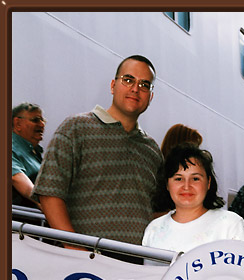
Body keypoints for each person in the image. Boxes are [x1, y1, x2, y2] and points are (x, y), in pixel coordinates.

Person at [32, 55, 163, 256]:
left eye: (145, 85)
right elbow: (50, 194)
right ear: (113, 85)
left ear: (151, 97)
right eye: (128, 80)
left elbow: (157, 211)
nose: (135, 89)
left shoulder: (152, 150)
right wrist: (76, 250)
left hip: (136, 268)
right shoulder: (75, 128)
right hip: (83, 264)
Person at [142, 143, 244, 255]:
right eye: (178, 178)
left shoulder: (231, 225)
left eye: (195, 178)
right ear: (167, 184)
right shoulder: (153, 229)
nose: (186, 186)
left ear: (208, 183)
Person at [12, 102, 46, 208]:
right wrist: (49, 206)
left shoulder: (34, 152)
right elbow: (17, 179)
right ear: (17, 124)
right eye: (35, 120)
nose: (42, 124)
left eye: (43, 120)